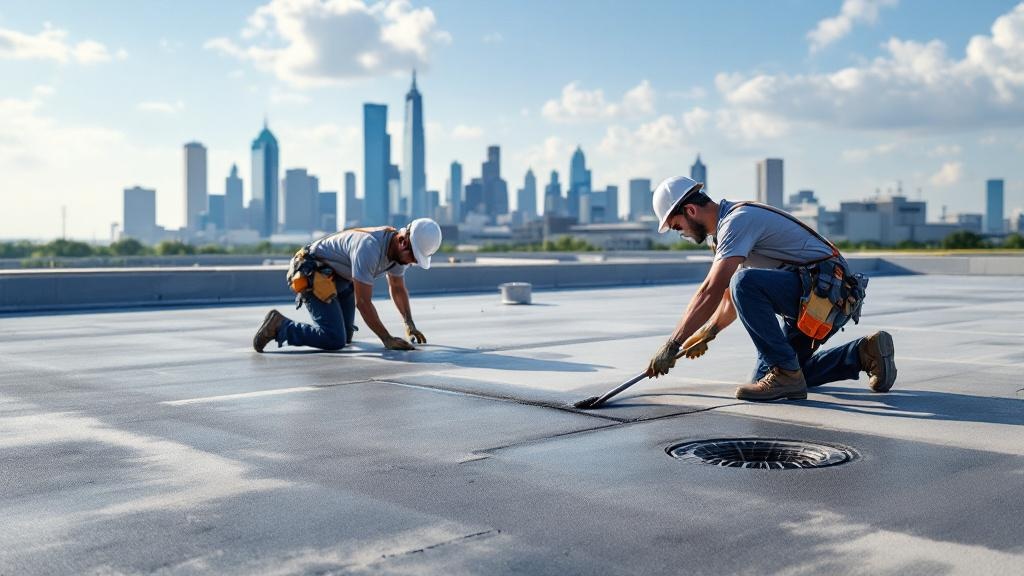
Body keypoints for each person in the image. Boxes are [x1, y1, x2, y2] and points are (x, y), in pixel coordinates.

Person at [645, 176, 896, 401]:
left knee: (745, 287)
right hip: (815, 297)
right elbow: (732, 297)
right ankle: (864, 353)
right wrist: (710, 331)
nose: (681, 234)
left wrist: (672, 344)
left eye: (678, 226)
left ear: (690, 210)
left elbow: (713, 289)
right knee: (773, 375)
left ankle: (786, 373)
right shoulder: (724, 232)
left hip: (826, 291)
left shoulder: (736, 221)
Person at [252, 218, 442, 354]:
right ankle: (279, 326)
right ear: (402, 241)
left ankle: (334, 327)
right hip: (313, 271)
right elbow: (363, 302)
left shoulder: (399, 256)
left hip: (341, 278)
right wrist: (387, 339)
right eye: (414, 257)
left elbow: (397, 288)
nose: (413, 263)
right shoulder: (370, 247)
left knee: (346, 336)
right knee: (334, 339)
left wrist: (409, 323)